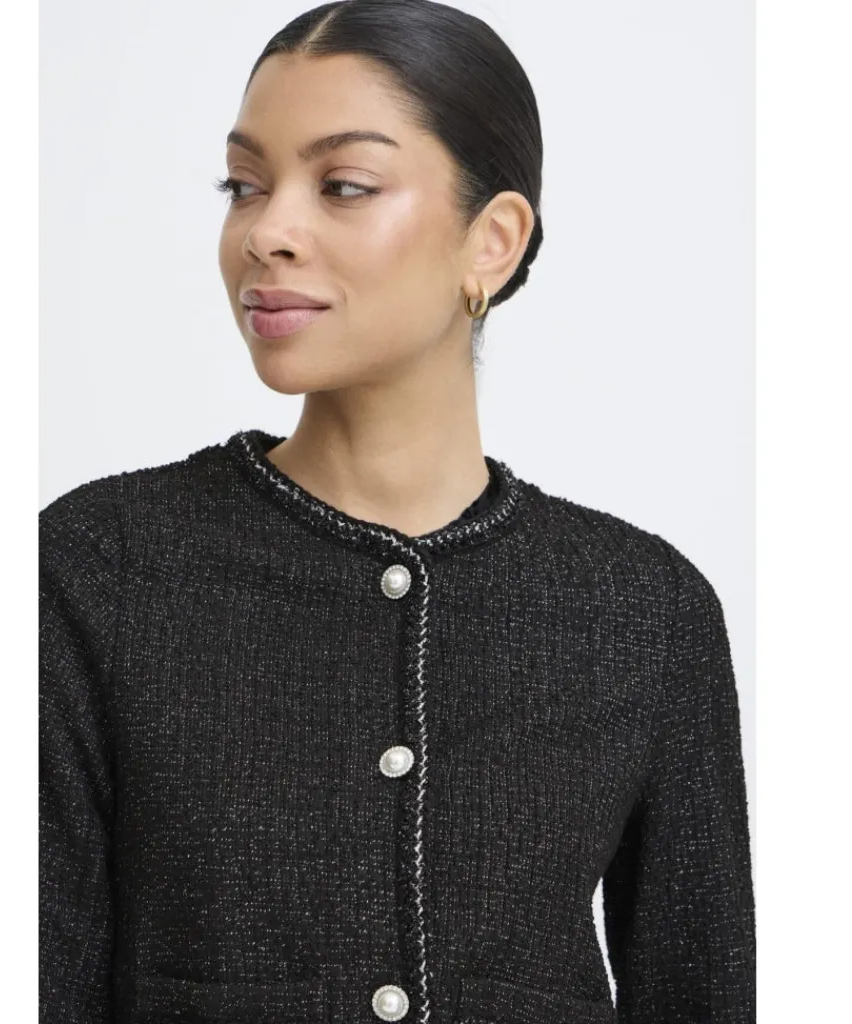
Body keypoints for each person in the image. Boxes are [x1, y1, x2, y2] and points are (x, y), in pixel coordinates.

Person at [39, 2, 756, 1022]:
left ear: (492, 242)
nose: (266, 232)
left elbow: (701, 990)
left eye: (343, 186)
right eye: (244, 185)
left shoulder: (643, 611)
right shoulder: (98, 569)